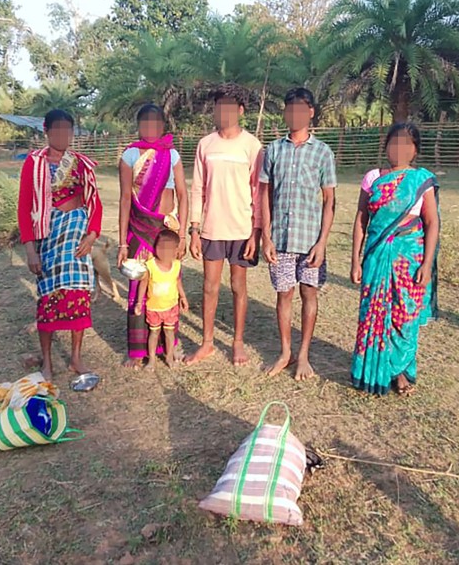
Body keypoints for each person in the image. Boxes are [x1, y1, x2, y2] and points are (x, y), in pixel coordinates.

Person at [350, 122, 440, 396]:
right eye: (394, 142)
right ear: (386, 144)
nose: (399, 149)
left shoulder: (421, 180)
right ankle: (370, 372)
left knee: (404, 317)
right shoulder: (374, 177)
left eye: (406, 144)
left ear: (415, 150)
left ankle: (400, 372)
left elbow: (432, 222)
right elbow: (361, 219)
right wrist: (355, 259)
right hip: (376, 257)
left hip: (409, 261)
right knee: (372, 314)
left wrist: (426, 264)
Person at [17, 109, 103, 380]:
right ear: (46, 131)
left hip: (77, 235)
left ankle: (76, 358)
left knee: (78, 295)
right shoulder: (34, 163)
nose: (63, 135)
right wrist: (30, 249)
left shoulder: (80, 163)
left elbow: (94, 201)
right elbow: (24, 207)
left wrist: (91, 236)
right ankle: (47, 363)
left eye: (68, 130)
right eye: (57, 130)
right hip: (49, 236)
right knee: (48, 298)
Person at [260, 88, 337, 381]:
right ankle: (285, 352)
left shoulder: (323, 152)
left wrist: (322, 242)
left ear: (311, 112)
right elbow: (266, 195)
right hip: (280, 238)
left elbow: (329, 201)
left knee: (309, 295)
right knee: (283, 296)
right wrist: (266, 236)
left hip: (310, 241)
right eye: (290, 108)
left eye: (301, 108)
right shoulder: (273, 150)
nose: (295, 114)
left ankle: (303, 354)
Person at [188, 83, 263, 366]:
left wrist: (255, 232)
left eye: (231, 107)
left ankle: (237, 342)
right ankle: (207, 342)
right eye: (220, 106)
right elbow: (198, 188)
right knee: (209, 287)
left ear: (241, 111)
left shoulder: (252, 146)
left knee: (238, 286)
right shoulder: (205, 144)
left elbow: (258, 192)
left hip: (242, 229)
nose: (225, 112)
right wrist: (194, 230)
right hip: (212, 228)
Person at [117, 103, 188, 368]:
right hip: (138, 229)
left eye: (155, 124)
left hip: (166, 230)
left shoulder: (172, 156)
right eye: (145, 124)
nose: (150, 129)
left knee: (167, 286)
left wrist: (181, 234)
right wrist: (123, 242)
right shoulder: (130, 156)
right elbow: (125, 199)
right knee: (139, 289)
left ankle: (170, 344)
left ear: (162, 126)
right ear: (138, 126)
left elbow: (182, 194)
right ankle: (138, 351)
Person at [134, 230, 190, 370]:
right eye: (160, 247)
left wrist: (183, 297)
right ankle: (151, 359)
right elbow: (143, 284)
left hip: (171, 307)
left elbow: (178, 282)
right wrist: (139, 302)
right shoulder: (150, 265)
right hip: (154, 308)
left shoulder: (176, 265)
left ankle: (169, 357)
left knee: (169, 333)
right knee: (154, 333)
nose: (164, 252)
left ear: (175, 250)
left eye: (168, 248)